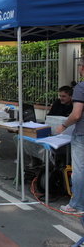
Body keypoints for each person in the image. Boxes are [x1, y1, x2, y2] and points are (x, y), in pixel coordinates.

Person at [56, 57, 84, 214]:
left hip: (82, 134)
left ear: (81, 68)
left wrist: (64, 126)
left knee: (79, 170)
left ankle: (77, 205)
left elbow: (76, 114)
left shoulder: (81, 88)